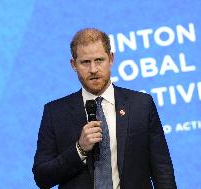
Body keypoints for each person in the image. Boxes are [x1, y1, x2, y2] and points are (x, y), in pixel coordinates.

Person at [32, 28, 176, 189]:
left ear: (111, 59)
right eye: (85, 62)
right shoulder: (55, 113)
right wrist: (79, 149)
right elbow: (42, 177)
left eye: (99, 60)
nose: (93, 69)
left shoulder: (141, 104)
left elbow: (162, 170)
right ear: (73, 65)